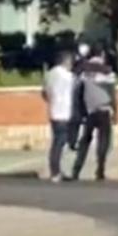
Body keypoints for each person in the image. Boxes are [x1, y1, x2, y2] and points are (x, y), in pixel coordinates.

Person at [71, 45, 117, 181]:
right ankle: (100, 170)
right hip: (103, 109)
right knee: (104, 141)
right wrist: (116, 112)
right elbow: (112, 94)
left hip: (88, 110)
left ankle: (76, 170)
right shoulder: (107, 71)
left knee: (85, 140)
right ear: (102, 55)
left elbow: (76, 89)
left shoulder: (83, 70)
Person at [42, 51, 75, 183]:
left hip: (53, 111)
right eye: (70, 62)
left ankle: (55, 170)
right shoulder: (68, 76)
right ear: (66, 61)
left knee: (57, 142)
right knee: (59, 143)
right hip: (64, 112)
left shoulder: (49, 74)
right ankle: (55, 172)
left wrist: (52, 100)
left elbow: (44, 93)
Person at [67, 41, 91, 151]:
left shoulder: (80, 63)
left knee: (78, 119)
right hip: (78, 93)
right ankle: (74, 141)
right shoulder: (79, 63)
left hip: (81, 93)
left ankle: (74, 141)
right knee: (77, 119)